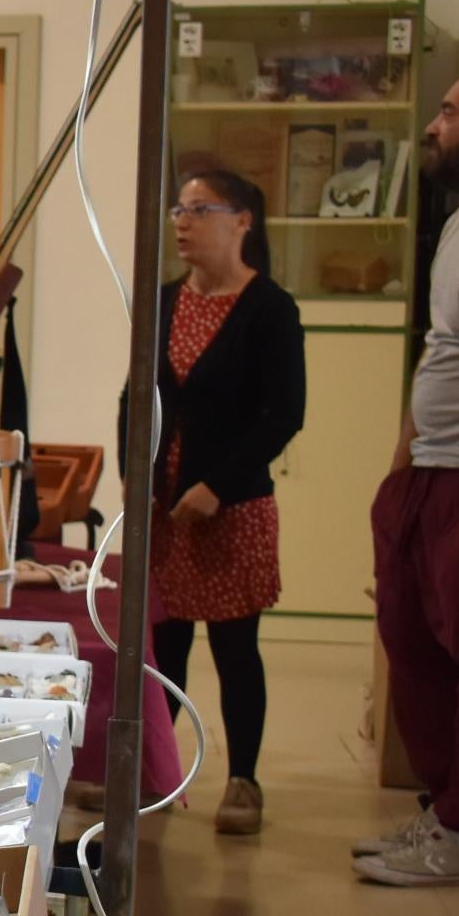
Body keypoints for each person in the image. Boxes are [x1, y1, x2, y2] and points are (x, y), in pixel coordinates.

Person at [134, 169, 302, 839]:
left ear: (242, 222)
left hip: (233, 510)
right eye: (179, 208)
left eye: (200, 209)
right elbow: (135, 399)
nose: (182, 221)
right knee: (164, 650)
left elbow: (282, 414)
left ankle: (243, 782)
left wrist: (216, 487)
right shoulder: (164, 300)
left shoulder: (269, 308)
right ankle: (156, 775)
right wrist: (135, 478)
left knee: (236, 652)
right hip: (166, 511)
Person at [361, 71, 459, 885]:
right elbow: (440, 350)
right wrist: (405, 452)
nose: (433, 126)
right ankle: (445, 806)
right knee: (413, 641)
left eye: (451, 111)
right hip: (429, 468)